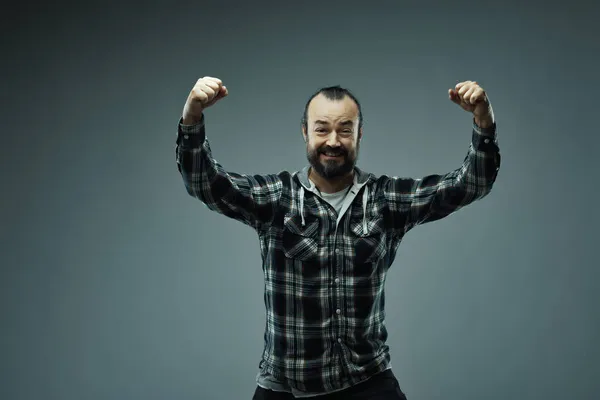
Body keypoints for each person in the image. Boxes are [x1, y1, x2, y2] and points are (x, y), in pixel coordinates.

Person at [175, 76, 501, 399]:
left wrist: (483, 124)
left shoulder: (384, 199)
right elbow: (205, 183)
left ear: (359, 135)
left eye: (345, 130)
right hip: (288, 389)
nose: (334, 141)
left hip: (367, 381)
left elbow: (468, 185)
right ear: (306, 132)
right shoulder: (277, 198)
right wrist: (192, 119)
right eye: (322, 129)